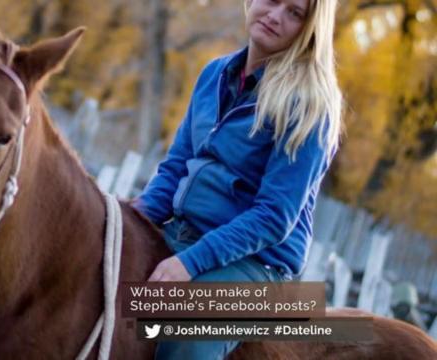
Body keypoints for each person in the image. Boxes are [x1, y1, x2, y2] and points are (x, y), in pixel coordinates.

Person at [131, 0, 343, 358]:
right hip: (183, 232)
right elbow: (177, 166)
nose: (275, 16)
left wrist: (190, 262)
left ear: (310, 29)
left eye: (295, 13)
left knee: (189, 330)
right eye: (273, 1)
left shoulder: (309, 105)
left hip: (256, 265)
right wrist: (131, 221)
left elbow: (274, 217)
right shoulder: (214, 74)